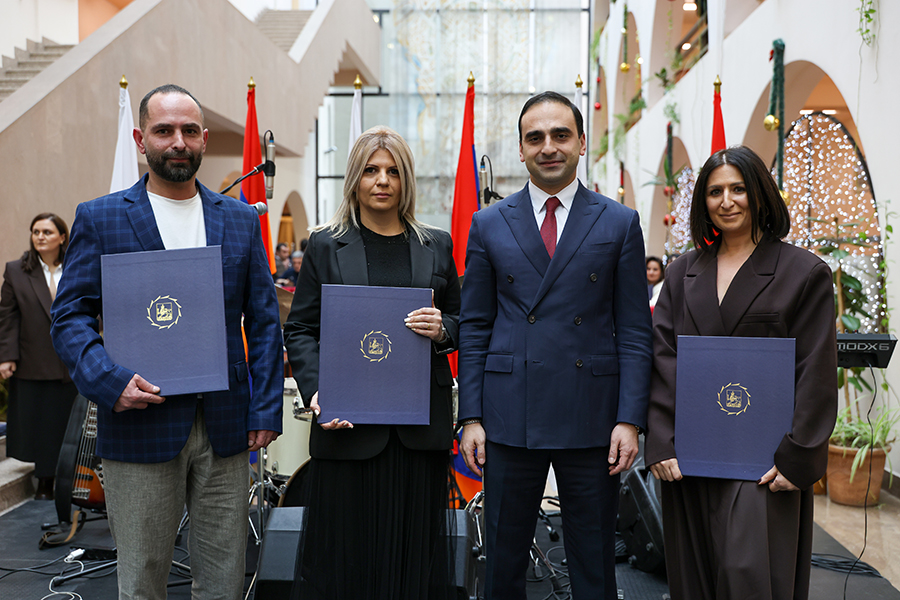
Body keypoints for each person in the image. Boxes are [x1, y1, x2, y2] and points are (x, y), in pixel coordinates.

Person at [50, 84, 283, 600]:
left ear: (204, 139)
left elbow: (265, 322)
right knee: (142, 582)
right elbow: (68, 317)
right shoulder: (101, 218)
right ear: (141, 140)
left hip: (226, 427)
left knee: (224, 580)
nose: (178, 141)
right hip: (138, 422)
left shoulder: (240, 220)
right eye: (164, 130)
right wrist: (110, 383)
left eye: (189, 131)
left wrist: (266, 408)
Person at [457, 91, 653, 599]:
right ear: (521, 149)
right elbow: (475, 326)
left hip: (592, 416)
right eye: (535, 137)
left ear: (582, 143)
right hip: (508, 415)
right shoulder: (488, 223)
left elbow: (635, 331)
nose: (548, 146)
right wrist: (470, 416)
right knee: (502, 563)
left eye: (561, 134)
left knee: (593, 564)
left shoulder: (619, 221)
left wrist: (630, 419)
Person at [645, 146, 838, 600]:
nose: (726, 201)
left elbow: (815, 369)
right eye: (715, 191)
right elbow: (662, 358)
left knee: (748, 573)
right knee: (694, 577)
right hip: (690, 457)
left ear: (760, 193)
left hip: (765, 462)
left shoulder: (804, 272)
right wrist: (661, 439)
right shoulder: (682, 273)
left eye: (738, 189)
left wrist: (798, 457)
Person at [283, 125, 460, 600]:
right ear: (354, 179)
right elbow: (300, 328)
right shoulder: (325, 244)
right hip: (348, 426)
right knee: (346, 562)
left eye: (393, 171)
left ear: (406, 180)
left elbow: (465, 321)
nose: (382, 180)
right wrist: (319, 390)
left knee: (412, 561)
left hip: (417, 432)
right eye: (370, 170)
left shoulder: (437, 244)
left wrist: (443, 328)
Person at [0, 213, 77, 500]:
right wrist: (6, 356)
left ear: (62, 237)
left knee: (67, 424)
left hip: (72, 360)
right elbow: (8, 316)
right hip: (34, 361)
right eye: (36, 232)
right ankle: (44, 482)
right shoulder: (16, 270)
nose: (40, 237)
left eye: (47, 232)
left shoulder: (76, 266)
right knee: (41, 424)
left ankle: (71, 482)